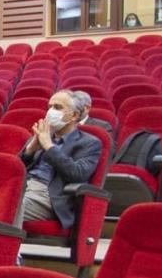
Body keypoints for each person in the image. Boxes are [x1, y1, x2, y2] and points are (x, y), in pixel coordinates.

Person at [20, 90, 103, 229]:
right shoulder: (42, 135)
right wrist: (30, 150)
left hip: (49, 195)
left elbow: (77, 174)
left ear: (74, 115)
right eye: (50, 107)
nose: (51, 112)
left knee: (7, 208)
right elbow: (15, 169)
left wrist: (49, 147)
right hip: (22, 187)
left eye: (57, 107)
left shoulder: (89, 143)